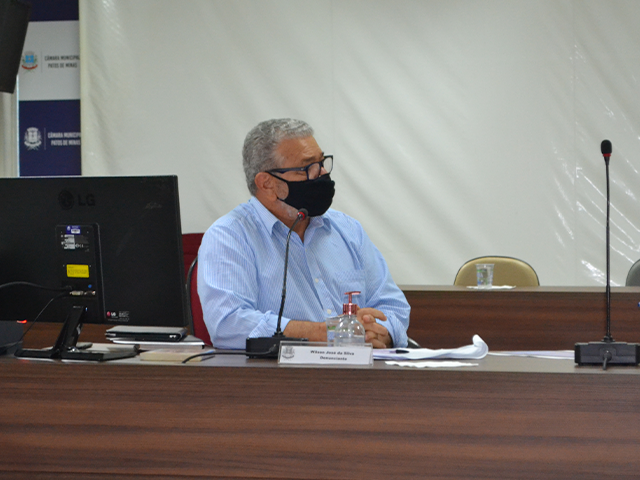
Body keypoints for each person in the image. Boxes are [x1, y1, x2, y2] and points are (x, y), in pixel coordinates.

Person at [197, 118, 410, 349]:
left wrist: (380, 333)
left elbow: (393, 306)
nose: (322, 173)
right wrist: (329, 332)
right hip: (284, 372)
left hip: (364, 368)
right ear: (267, 183)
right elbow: (228, 324)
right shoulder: (229, 236)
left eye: (321, 162)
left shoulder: (348, 229)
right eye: (307, 168)